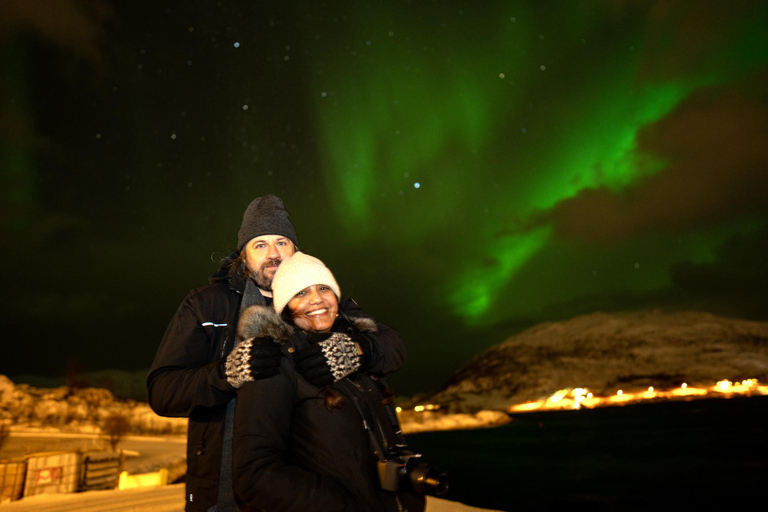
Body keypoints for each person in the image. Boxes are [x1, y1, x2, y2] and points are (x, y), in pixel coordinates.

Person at [146, 195, 406, 512]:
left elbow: (392, 345)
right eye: (260, 245)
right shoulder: (206, 304)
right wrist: (226, 374)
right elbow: (162, 391)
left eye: (282, 242)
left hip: (311, 488)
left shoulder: (320, 297)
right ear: (242, 254)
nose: (274, 254)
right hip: (223, 488)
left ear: (295, 249)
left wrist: (358, 351)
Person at [231, 252, 430, 512]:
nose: (316, 299)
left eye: (323, 288)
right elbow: (254, 474)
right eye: (300, 293)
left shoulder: (349, 348)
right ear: (285, 308)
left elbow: (393, 347)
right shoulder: (274, 361)